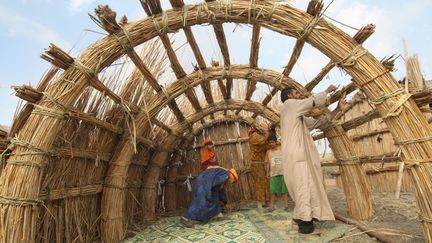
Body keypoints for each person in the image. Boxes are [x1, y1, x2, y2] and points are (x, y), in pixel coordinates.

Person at [280, 85, 347, 234]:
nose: (299, 96)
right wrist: (327, 91)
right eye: (297, 93)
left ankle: (302, 216)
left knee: (305, 186)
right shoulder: (289, 105)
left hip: (297, 156)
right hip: (297, 155)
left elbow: (318, 123)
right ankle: (305, 225)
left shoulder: (297, 116)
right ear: (290, 96)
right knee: (303, 186)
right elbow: (312, 101)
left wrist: (338, 109)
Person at [265, 135, 289, 213]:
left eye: (272, 142)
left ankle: (286, 206)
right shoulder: (268, 152)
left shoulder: (281, 149)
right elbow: (268, 163)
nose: (271, 144)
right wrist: (267, 172)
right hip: (273, 174)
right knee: (272, 191)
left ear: (276, 142)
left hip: (282, 172)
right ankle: (272, 206)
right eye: (269, 143)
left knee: (284, 191)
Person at [248, 127, 270, 209]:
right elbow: (262, 140)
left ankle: (265, 200)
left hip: (262, 163)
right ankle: (260, 202)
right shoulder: (254, 136)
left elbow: (267, 145)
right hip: (256, 163)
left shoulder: (260, 137)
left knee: (265, 182)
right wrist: (267, 133)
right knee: (259, 183)